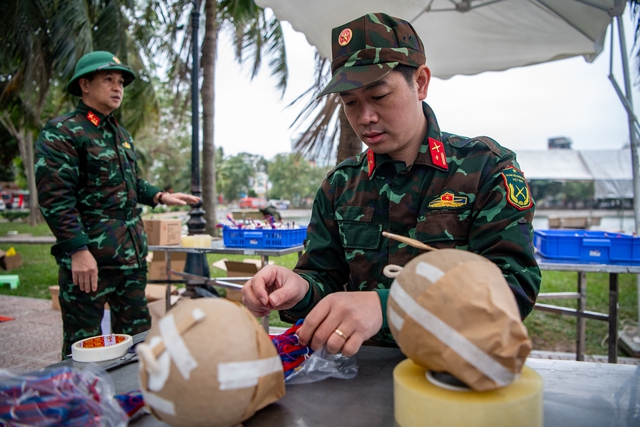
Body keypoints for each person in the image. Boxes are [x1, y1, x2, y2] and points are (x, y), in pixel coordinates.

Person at [242, 13, 542, 357]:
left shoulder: (485, 168)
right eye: (350, 103)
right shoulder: (341, 185)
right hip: (359, 377)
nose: (365, 117)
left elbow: (513, 289)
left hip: (454, 372)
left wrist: (390, 306)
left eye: (380, 95)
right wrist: (300, 289)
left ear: (421, 82)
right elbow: (325, 281)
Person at [35, 51, 200, 358]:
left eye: (121, 81)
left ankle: (133, 401)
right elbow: (55, 197)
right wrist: (78, 251)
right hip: (91, 261)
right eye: (108, 79)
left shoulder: (120, 135)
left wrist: (160, 196)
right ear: (85, 85)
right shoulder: (64, 131)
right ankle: (83, 402)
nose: (117, 87)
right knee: (84, 347)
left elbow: (132, 183)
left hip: (130, 257)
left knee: (138, 341)